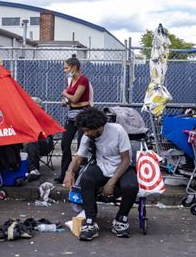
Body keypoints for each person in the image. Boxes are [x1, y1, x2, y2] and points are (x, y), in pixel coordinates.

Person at [63, 108, 138, 241]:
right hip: (102, 166)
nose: (85, 133)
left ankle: (121, 220)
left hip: (121, 167)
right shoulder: (88, 136)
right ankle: (90, 221)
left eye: (87, 130)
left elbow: (126, 159)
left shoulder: (118, 131)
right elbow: (78, 158)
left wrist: (111, 182)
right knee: (86, 179)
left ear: (98, 126)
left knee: (131, 186)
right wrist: (69, 172)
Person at [55, 57, 90, 183]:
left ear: (74, 67)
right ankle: (65, 172)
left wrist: (65, 93)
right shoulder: (70, 80)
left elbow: (75, 98)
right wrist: (65, 101)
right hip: (71, 114)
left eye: (66, 68)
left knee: (82, 143)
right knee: (65, 143)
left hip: (83, 114)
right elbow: (71, 100)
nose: (65, 70)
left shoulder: (83, 80)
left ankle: (81, 173)